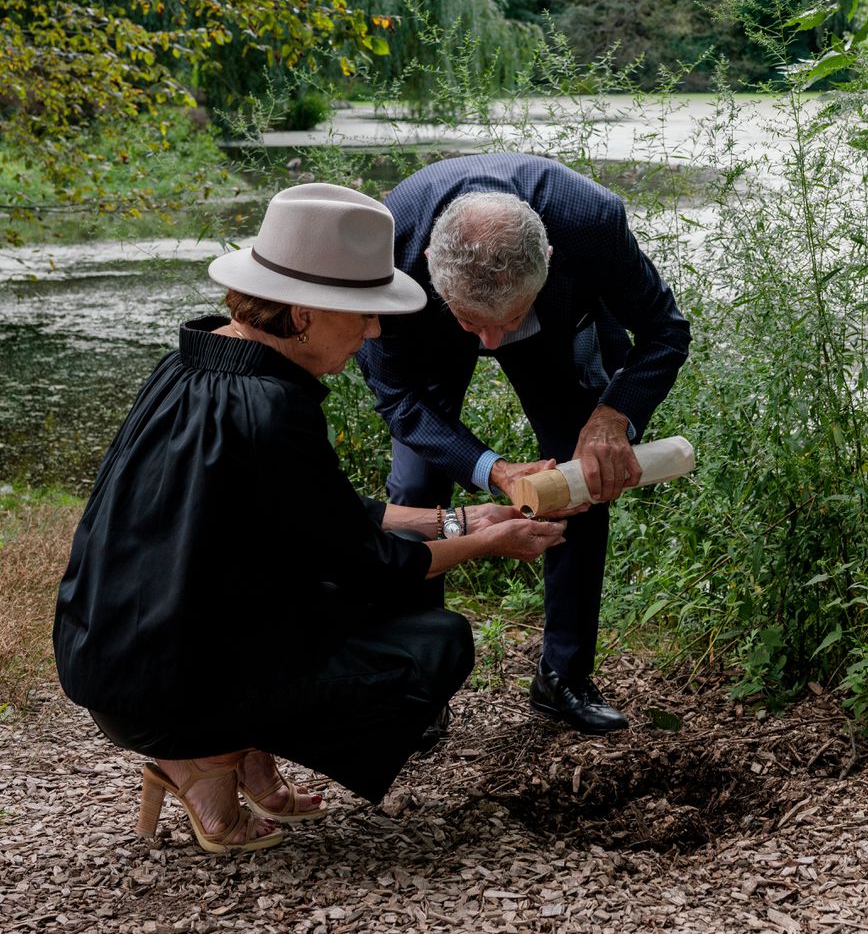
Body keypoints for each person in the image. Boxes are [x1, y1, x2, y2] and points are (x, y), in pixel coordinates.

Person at [53, 183, 569, 854]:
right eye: (362, 313)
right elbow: (372, 564)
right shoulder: (273, 408)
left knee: (311, 595)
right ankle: (204, 755)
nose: (375, 331)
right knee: (435, 642)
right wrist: (491, 541)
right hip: (162, 684)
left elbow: (321, 514)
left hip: (105, 652)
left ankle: (235, 750)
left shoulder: (190, 360)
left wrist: (459, 517)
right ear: (301, 313)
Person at [357, 153, 690, 735]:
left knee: (582, 476)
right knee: (415, 486)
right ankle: (421, 679)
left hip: (557, 328)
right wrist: (495, 470)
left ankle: (563, 677)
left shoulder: (591, 222)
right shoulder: (390, 248)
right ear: (433, 264)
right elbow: (399, 400)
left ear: (551, 259)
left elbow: (666, 329)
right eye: (476, 327)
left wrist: (614, 415)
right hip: (427, 332)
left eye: (504, 324)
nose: (490, 343)